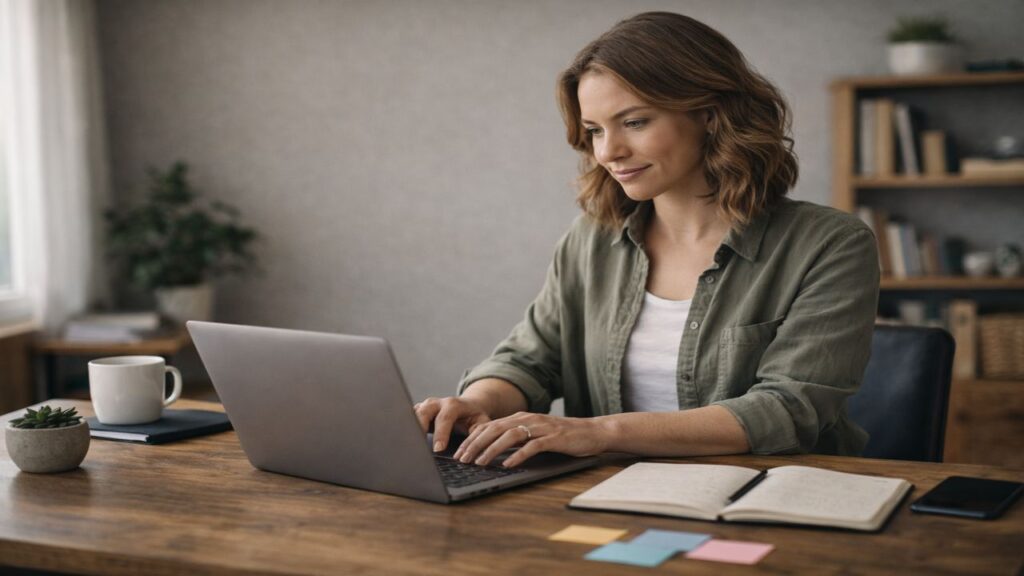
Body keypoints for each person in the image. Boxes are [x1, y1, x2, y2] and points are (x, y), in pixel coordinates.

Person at [414, 11, 879, 468]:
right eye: (595, 131)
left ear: (711, 114)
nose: (608, 152)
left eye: (634, 122)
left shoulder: (830, 245)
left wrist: (598, 433)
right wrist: (478, 402)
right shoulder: (591, 241)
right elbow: (531, 359)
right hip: (610, 496)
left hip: (768, 501)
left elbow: (787, 409)